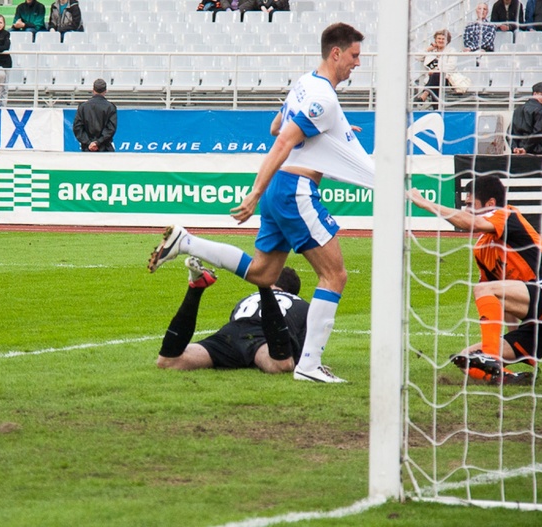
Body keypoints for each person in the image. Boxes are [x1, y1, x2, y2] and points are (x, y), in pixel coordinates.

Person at [148, 23, 374, 384]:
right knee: (335, 276)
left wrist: (329, 136)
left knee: (263, 274)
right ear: (336, 53)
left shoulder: (305, 83)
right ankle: (310, 366)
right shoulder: (324, 98)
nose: (357, 63)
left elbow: (274, 126)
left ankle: (187, 242)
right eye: (354, 55)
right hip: (294, 189)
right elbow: (282, 141)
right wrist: (255, 191)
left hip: (280, 190)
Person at [406, 176, 542, 385]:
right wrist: (513, 338)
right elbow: (501, 299)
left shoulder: (506, 214)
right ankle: (507, 377)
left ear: (490, 204)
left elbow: (472, 223)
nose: (467, 210)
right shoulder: (481, 248)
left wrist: (425, 203)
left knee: (483, 290)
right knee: (466, 358)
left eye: (471, 204)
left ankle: (490, 356)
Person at [158, 258, 308, 374]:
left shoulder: (246, 299)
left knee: (169, 361)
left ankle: (195, 290)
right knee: (281, 366)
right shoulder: (302, 304)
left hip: (231, 334)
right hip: (263, 340)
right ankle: (262, 284)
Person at [414, 29, 457, 109]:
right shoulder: (432, 51)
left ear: (447, 41)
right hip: (431, 80)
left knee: (436, 75)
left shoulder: (451, 51)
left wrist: (436, 70)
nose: (441, 40)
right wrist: (428, 49)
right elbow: (417, 57)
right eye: (439, 38)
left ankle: (425, 94)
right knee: (435, 80)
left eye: (443, 39)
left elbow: (451, 66)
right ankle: (436, 109)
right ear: (435, 40)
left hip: (446, 78)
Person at [73, 78, 117, 152]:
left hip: (87, 149)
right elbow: (111, 129)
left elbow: (77, 128)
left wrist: (89, 143)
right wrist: (98, 142)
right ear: (105, 91)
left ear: (93, 90)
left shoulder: (83, 107)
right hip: (105, 149)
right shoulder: (110, 107)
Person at [509, 81, 542, 155]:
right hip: (536, 151)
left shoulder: (518, 109)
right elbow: (539, 132)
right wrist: (525, 148)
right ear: (535, 94)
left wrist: (514, 148)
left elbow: (509, 132)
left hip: (518, 152)